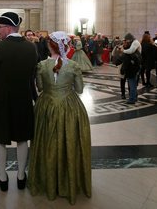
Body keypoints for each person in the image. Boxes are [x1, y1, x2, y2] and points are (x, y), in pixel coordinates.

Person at [28, 31, 91, 204]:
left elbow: (40, 87)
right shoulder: (73, 66)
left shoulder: (41, 65)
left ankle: (46, 181)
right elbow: (79, 89)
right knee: (69, 141)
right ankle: (68, 181)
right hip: (69, 108)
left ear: (50, 45)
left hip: (46, 107)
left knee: (45, 142)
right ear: (66, 46)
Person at [0, 12, 37, 191]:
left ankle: (2, 177)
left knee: (0, 139)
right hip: (24, 98)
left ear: (8, 28)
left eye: (0, 27)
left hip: (2, 99)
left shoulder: (1, 47)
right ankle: (21, 176)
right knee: (22, 138)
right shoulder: (31, 48)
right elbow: (33, 75)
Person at [114, 33, 141, 104]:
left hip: (131, 69)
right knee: (133, 84)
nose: (125, 42)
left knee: (132, 84)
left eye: (126, 41)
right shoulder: (134, 47)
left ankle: (132, 99)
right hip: (136, 67)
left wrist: (122, 69)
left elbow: (125, 60)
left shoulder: (131, 49)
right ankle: (134, 97)